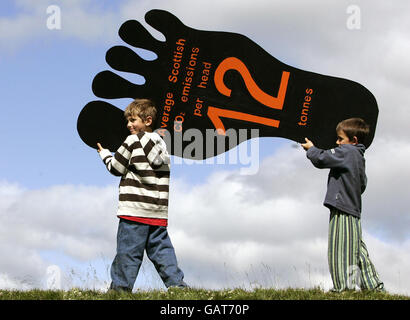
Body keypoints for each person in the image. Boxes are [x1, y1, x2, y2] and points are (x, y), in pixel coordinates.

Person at [97, 98, 187, 292]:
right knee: (162, 251)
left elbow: (116, 168)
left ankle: (120, 289)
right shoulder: (162, 144)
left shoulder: (131, 141)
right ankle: (177, 285)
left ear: (147, 121)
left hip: (134, 209)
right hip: (157, 212)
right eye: (128, 121)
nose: (129, 125)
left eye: (133, 120)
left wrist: (104, 154)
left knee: (128, 252)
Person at [301, 118, 384, 292]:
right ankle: (374, 288)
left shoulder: (348, 152)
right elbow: (363, 184)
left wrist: (311, 150)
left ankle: (343, 289)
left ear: (353, 141)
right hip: (353, 211)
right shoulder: (359, 157)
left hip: (342, 209)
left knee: (341, 250)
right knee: (358, 251)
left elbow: (323, 159)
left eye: (340, 139)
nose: (337, 143)